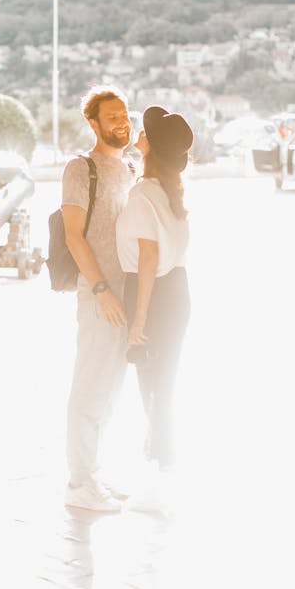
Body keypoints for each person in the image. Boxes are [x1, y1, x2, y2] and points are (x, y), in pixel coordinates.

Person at [116, 105, 193, 510]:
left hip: (153, 292)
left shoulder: (145, 192)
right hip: (177, 291)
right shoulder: (168, 190)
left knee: (152, 380)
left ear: (151, 148)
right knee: (163, 379)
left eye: (145, 133)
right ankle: (161, 452)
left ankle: (163, 459)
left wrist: (139, 319)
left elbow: (147, 258)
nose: (138, 135)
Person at [62, 86, 134, 512]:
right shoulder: (80, 169)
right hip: (99, 296)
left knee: (110, 390)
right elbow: (74, 236)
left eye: (125, 114)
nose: (122, 122)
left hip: (127, 297)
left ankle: (95, 472)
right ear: (93, 123)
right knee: (90, 387)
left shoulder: (127, 169)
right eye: (112, 117)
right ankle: (78, 482)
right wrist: (102, 290)